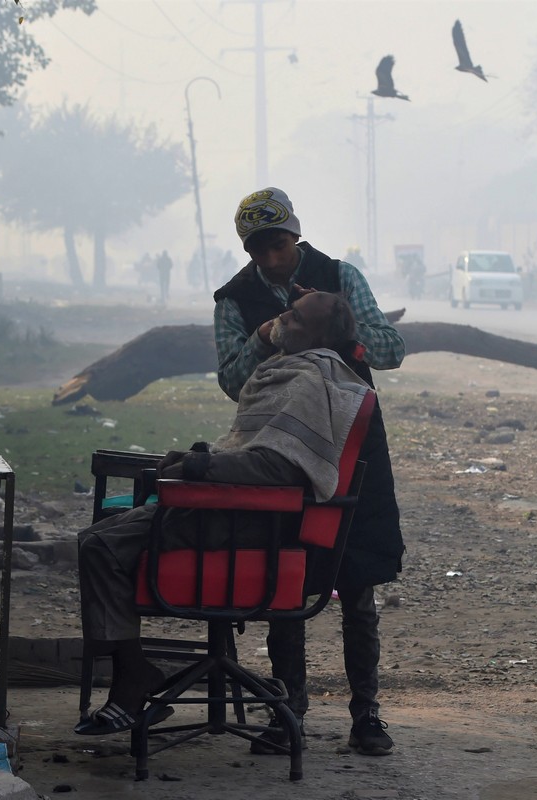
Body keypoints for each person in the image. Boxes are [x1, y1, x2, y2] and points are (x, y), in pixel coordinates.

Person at [75, 291, 367, 736]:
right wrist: (201, 457)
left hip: (248, 522)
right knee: (100, 535)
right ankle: (131, 672)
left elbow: (279, 467)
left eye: (297, 318)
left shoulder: (310, 381)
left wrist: (201, 467)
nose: (283, 318)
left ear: (319, 337)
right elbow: (259, 449)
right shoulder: (288, 371)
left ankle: (132, 675)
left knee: (99, 545)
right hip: (235, 509)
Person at [213, 187, 405, 756]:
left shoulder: (340, 276)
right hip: (281, 445)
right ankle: (287, 709)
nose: (270, 260)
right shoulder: (234, 299)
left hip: (350, 438)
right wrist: (265, 336)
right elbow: (230, 381)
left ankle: (367, 713)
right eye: (258, 251)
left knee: (358, 578)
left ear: (295, 234)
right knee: (285, 578)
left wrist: (339, 326)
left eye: (278, 245)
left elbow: (391, 349)